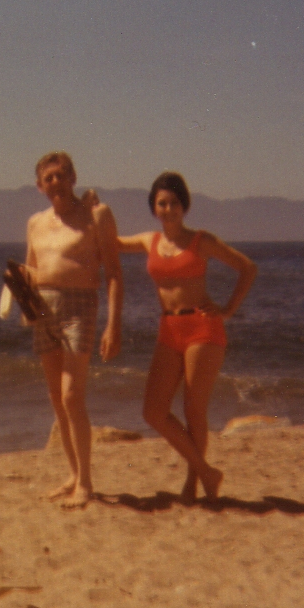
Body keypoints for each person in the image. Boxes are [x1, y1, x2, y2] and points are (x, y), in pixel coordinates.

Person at [118, 171, 257, 503]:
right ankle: (207, 471)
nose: (168, 209)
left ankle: (195, 481)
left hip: (202, 329)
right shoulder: (148, 241)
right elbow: (109, 241)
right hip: (168, 329)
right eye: (162, 203)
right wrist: (92, 210)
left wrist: (227, 309)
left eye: (175, 203)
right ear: (154, 208)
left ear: (185, 205)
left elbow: (247, 267)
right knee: (153, 412)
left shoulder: (201, 241)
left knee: (194, 410)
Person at [24, 151, 123, 508]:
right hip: (43, 309)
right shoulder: (35, 222)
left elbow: (113, 272)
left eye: (61, 175)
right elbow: (31, 269)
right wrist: (25, 304)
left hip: (80, 307)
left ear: (73, 178)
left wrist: (113, 323)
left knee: (71, 396)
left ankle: (86, 483)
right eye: (48, 178)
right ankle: (72, 474)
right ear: (39, 186)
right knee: (56, 399)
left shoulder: (96, 215)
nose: (56, 182)